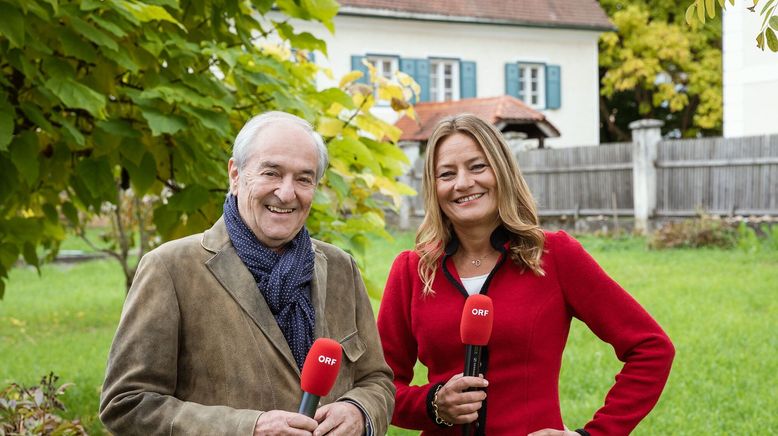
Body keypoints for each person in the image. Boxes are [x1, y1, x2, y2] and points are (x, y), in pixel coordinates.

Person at [377, 114, 675, 435]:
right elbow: (378, 385)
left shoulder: (554, 255)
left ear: (502, 171)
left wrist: (592, 434)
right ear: (433, 188)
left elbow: (651, 348)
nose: (462, 183)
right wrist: (433, 404)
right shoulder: (412, 271)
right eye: (447, 174)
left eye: (477, 167)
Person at [100, 111, 394, 436]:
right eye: (272, 173)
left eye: (303, 178)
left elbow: (376, 380)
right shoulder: (171, 268)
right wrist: (247, 428)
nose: (286, 192)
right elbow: (126, 404)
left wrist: (359, 411)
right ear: (235, 175)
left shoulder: (340, 267)